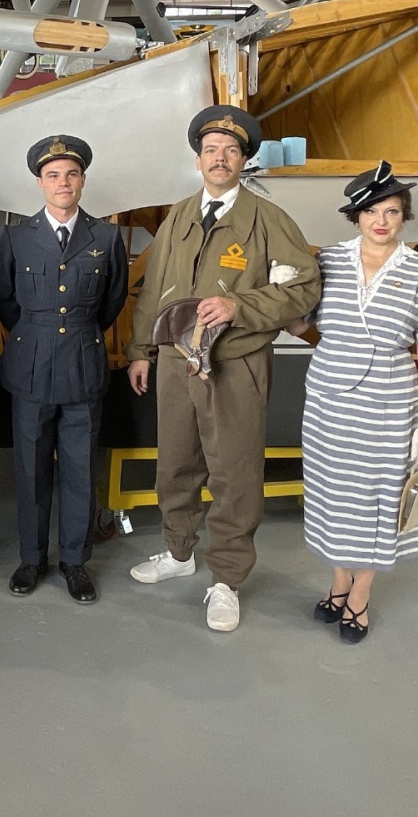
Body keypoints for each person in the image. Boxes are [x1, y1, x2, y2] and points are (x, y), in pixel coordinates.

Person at [126, 105, 321, 632]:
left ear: (243, 161)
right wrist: (141, 350)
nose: (220, 158)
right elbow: (154, 289)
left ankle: (227, 580)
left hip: (235, 364)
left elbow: (304, 287)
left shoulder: (268, 220)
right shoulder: (179, 216)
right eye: (211, 150)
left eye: (231, 150)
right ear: (198, 160)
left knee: (234, 473)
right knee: (176, 464)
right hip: (175, 361)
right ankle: (178, 551)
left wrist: (240, 306)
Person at [301, 161, 418, 644]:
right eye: (370, 211)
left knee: (379, 498)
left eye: (391, 211)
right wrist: (283, 289)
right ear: (356, 216)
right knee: (334, 492)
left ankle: (360, 593)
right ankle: (339, 580)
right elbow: (300, 325)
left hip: (389, 402)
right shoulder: (326, 262)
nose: (381, 221)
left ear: (404, 216)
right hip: (328, 396)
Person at [0, 135, 129, 603]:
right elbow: (3, 298)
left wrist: (79, 333)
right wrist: (37, 334)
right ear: (40, 183)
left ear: (83, 180)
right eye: (53, 175)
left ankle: (74, 561)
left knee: (79, 468)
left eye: (71, 174)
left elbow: (112, 301)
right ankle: (31, 558)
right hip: (30, 365)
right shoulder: (15, 237)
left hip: (84, 365)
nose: (62, 182)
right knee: (30, 469)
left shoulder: (106, 238)